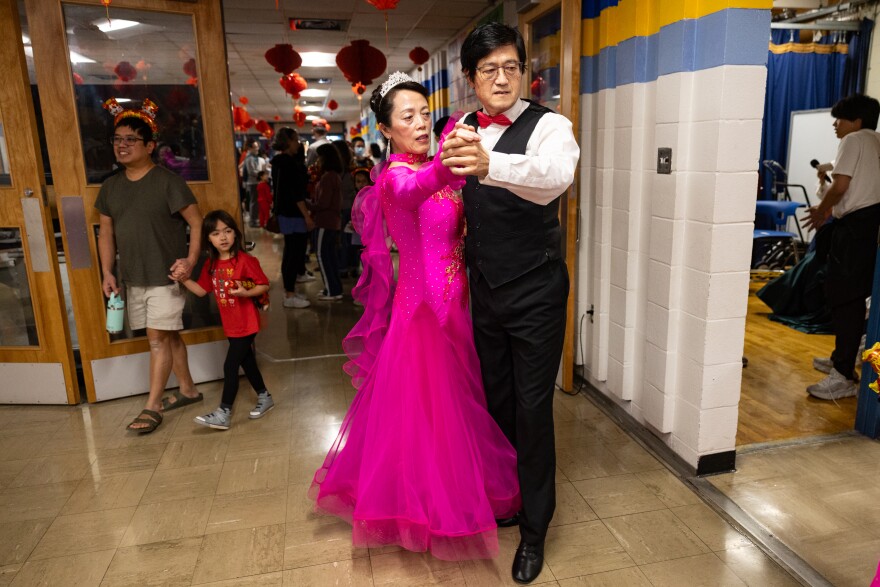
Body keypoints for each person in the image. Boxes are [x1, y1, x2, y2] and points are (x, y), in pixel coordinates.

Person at [309, 72, 520, 561]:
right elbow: (419, 188)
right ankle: (427, 512)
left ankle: (461, 494)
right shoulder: (397, 178)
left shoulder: (434, 161)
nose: (421, 123)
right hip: (423, 314)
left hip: (459, 309)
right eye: (408, 117)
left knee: (462, 408)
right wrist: (451, 159)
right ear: (385, 129)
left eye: (425, 113)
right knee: (431, 418)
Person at [440, 22, 580, 583]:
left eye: (511, 68)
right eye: (488, 69)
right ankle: (506, 497)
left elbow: (554, 179)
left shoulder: (552, 126)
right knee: (495, 402)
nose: (501, 78)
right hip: (485, 290)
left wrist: (490, 164)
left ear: (525, 72)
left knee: (531, 407)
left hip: (537, 288)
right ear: (470, 78)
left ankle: (536, 528)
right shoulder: (462, 126)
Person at [97, 98, 204, 434]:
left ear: (150, 146)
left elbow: (197, 222)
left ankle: (153, 404)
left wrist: (190, 260)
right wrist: (108, 272)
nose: (122, 145)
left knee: (157, 339)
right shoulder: (110, 186)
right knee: (168, 337)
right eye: (117, 139)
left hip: (166, 276)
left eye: (131, 139)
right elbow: (106, 233)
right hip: (133, 276)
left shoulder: (167, 181)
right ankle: (188, 390)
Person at [802, 93, 880, 400]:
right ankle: (841, 358)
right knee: (855, 295)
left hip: (854, 227)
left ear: (857, 121)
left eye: (840, 119)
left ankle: (844, 374)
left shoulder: (854, 140)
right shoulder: (875, 141)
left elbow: (841, 185)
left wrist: (822, 210)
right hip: (870, 224)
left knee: (844, 297)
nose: (836, 125)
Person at [174, 210, 274, 430]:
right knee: (247, 362)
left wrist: (246, 293)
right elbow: (201, 290)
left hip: (247, 323)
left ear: (235, 234)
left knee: (230, 366)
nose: (223, 237)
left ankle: (224, 412)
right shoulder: (211, 265)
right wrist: (184, 279)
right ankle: (265, 397)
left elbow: (264, 284)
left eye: (228, 231)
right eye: (216, 233)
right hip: (231, 324)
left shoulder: (246, 261)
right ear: (208, 238)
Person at [271, 127, 314, 309]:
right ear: (288, 141)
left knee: (291, 251)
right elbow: (295, 194)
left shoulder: (279, 162)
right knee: (294, 253)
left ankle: (290, 291)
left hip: (285, 212)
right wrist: (307, 216)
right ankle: (289, 294)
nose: (298, 143)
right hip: (293, 213)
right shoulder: (288, 163)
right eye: (296, 140)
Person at [309, 143, 344, 300]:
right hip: (332, 221)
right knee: (330, 255)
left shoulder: (328, 177)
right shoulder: (334, 175)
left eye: (319, 158)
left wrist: (307, 204)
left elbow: (323, 203)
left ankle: (332, 291)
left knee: (322, 255)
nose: (317, 161)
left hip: (325, 221)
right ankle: (334, 288)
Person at [334, 140, 358, 277]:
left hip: (343, 209)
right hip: (351, 208)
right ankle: (352, 267)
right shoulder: (351, 169)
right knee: (351, 241)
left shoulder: (338, 171)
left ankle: (343, 268)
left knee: (343, 241)